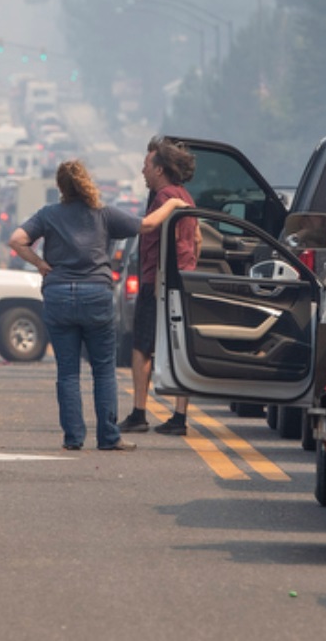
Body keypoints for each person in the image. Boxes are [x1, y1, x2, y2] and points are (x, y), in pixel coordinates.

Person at [9, 159, 188, 452]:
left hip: (59, 296)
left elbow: (16, 240)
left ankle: (73, 438)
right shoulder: (103, 215)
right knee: (103, 370)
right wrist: (174, 204)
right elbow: (148, 225)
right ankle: (108, 437)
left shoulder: (48, 215)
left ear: (60, 187)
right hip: (96, 295)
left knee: (67, 373)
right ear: (86, 182)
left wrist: (42, 265)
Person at [119, 137, 201, 437]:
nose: (142, 171)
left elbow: (150, 227)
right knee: (181, 347)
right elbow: (199, 239)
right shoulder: (186, 196)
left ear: (160, 169)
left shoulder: (166, 197)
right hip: (185, 281)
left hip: (157, 284)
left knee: (142, 348)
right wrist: (190, 267)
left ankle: (139, 413)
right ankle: (179, 417)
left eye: (146, 166)